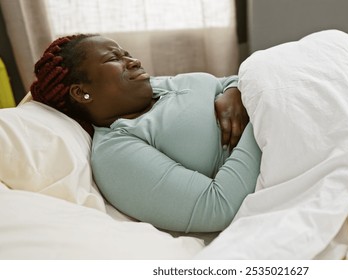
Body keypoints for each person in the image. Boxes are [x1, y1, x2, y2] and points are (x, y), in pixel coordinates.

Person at [30, 34, 262, 233]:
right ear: (81, 92)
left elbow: (231, 81)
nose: (134, 61)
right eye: (114, 58)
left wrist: (234, 91)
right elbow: (217, 207)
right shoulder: (116, 152)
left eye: (126, 53)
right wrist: (258, 112)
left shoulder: (161, 86)